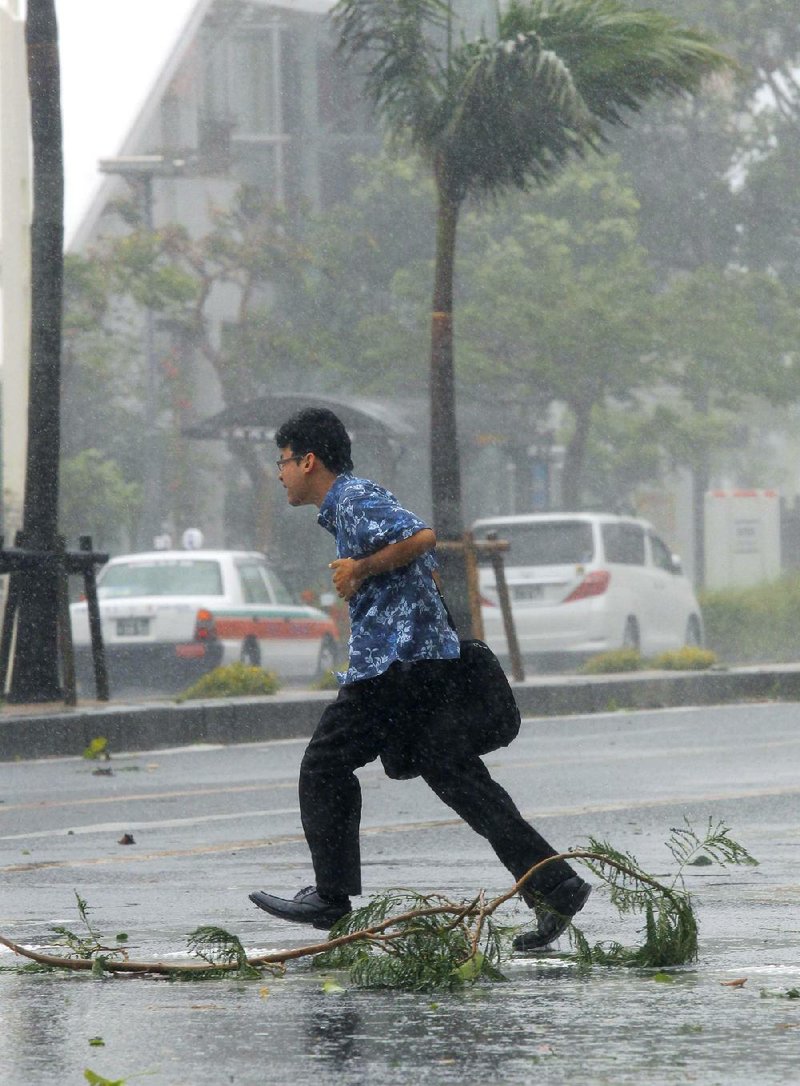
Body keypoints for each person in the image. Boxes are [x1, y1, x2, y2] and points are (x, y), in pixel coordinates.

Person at [249, 407, 590, 950]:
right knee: (455, 775)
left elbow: (423, 537)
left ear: (308, 460)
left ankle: (330, 895)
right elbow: (414, 556)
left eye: (283, 462)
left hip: (396, 666)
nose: (280, 472)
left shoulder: (354, 499)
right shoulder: (349, 508)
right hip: (421, 662)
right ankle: (555, 884)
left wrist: (360, 569)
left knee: (324, 763)